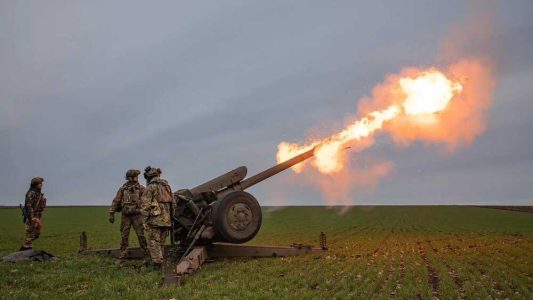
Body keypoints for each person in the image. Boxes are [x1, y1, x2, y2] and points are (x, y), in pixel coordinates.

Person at [109, 169, 148, 265]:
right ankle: (122, 256)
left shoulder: (141, 189)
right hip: (125, 216)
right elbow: (116, 201)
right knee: (124, 236)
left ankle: (146, 256)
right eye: (135, 176)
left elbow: (146, 201)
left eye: (137, 176)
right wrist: (111, 213)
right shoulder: (123, 189)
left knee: (141, 235)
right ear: (130, 178)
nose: (137, 178)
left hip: (137, 216)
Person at [140, 166, 175, 269]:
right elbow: (173, 204)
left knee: (153, 242)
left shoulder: (150, 187)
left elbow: (145, 206)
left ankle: (158, 264)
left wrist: (144, 221)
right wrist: (170, 218)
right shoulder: (166, 186)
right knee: (161, 243)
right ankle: (160, 261)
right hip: (166, 220)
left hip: (155, 220)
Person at [20, 177, 47, 251]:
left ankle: (27, 246)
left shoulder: (38, 193)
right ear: (35, 185)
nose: (41, 185)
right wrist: (32, 218)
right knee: (31, 232)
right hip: (31, 216)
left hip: (37, 216)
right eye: (40, 183)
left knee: (36, 233)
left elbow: (39, 206)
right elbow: (28, 206)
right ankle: (26, 248)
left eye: (41, 183)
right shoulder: (31, 193)